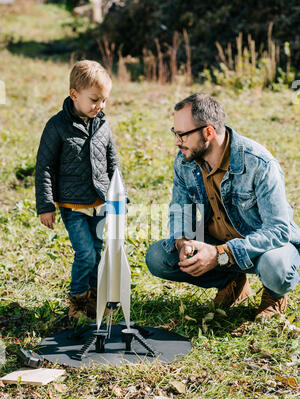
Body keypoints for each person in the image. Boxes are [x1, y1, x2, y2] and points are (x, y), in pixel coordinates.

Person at [146, 93, 300, 321]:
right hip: (215, 246)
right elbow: (180, 211)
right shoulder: (185, 161)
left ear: (208, 132)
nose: (177, 142)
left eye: (182, 135)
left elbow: (278, 231)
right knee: (158, 258)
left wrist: (220, 254)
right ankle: (232, 282)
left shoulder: (259, 163)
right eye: (175, 133)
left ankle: (274, 295)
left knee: (276, 267)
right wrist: (182, 241)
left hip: (261, 249)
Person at [35, 60, 127, 322]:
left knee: (97, 251)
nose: (100, 106)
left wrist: (120, 196)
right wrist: (45, 205)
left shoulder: (102, 125)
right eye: (95, 99)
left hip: (100, 203)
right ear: (74, 94)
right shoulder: (57, 126)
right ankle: (77, 300)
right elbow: (44, 167)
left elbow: (113, 162)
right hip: (73, 206)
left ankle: (94, 297)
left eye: (104, 100)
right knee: (84, 252)